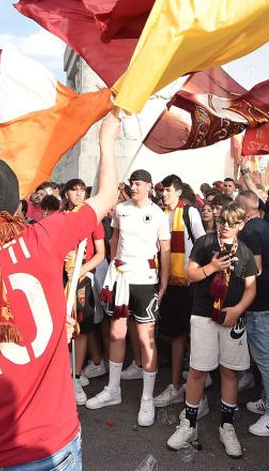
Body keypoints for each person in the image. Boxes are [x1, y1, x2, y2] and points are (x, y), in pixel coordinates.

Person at [0, 111, 120, 470]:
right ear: (11, 205)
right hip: (47, 443)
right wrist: (106, 140)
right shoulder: (42, 238)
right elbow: (107, 197)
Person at [166, 203, 257, 459]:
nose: (225, 225)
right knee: (197, 370)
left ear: (240, 225)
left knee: (229, 371)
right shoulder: (206, 242)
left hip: (232, 318)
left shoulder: (246, 251)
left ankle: (226, 426)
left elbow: (251, 288)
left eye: (231, 221)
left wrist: (238, 309)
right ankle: (189, 425)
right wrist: (212, 268)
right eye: (222, 220)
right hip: (203, 314)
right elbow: (189, 275)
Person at [85, 168, 169, 428]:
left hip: (145, 279)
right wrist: (112, 267)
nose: (134, 187)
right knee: (116, 333)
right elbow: (115, 238)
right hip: (120, 277)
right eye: (132, 183)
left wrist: (164, 283)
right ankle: (113, 390)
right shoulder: (120, 209)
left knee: (146, 338)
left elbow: (165, 249)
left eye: (139, 184)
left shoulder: (157, 214)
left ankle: (146, 398)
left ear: (149, 186)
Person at [236, 190, 269, 437]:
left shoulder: (250, 230)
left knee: (265, 358)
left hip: (260, 304)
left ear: (241, 209)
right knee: (265, 356)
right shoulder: (264, 225)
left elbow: (254, 268)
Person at [152, 174, 205, 409]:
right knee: (175, 335)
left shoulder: (189, 213)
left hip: (189, 284)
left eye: (168, 191)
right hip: (167, 282)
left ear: (179, 192)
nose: (164, 195)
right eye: (162, 191)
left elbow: (202, 244)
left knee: (193, 336)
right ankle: (174, 385)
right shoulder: (158, 215)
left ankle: (197, 388)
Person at [61, 178, 107, 406]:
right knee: (61, 328)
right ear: (66, 194)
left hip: (82, 279)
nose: (79, 194)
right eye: (74, 190)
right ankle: (62, 375)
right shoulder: (59, 219)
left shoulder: (92, 219)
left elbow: (101, 253)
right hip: (60, 278)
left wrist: (82, 269)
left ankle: (76, 377)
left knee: (81, 328)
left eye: (82, 190)